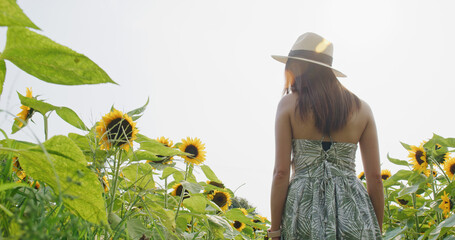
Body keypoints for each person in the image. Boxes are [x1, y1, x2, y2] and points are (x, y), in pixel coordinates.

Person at [268, 32, 384, 239]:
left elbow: (281, 173)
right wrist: (376, 228)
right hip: (354, 210)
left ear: (300, 65)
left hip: (302, 210)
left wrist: (275, 230)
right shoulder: (362, 109)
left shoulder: (288, 105)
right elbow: (375, 178)